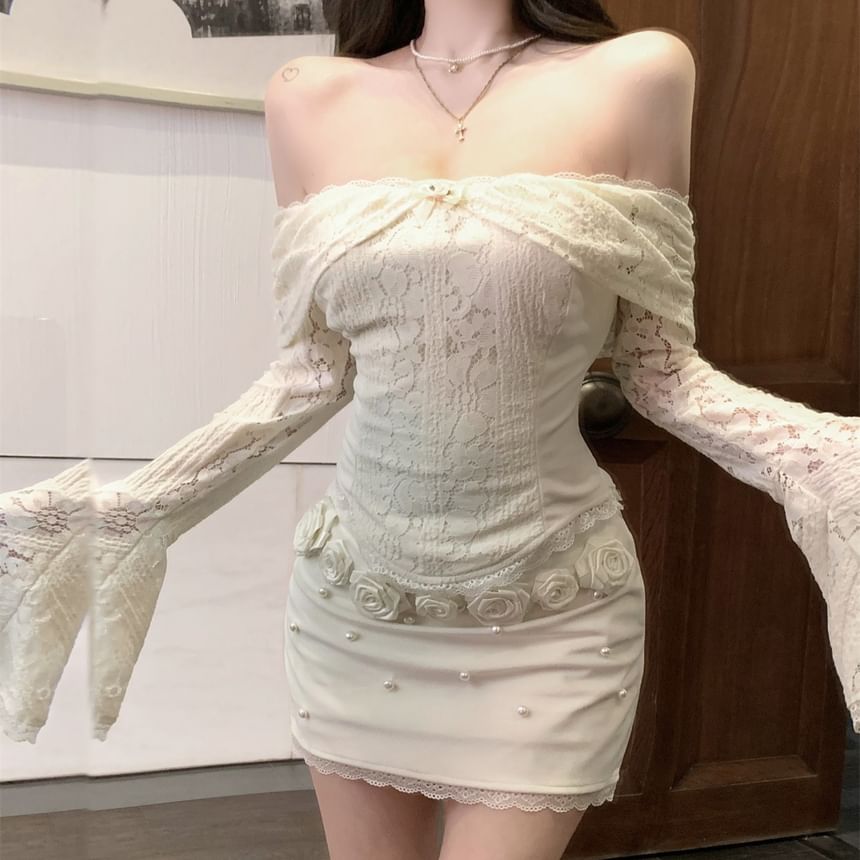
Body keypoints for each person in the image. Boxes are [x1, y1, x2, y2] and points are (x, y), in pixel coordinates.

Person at [2, 3, 857, 860]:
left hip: (551, 611)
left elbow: (662, 371)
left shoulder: (639, 74)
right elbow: (311, 373)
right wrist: (132, 505)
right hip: (354, 608)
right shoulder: (306, 96)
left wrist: (832, 459)